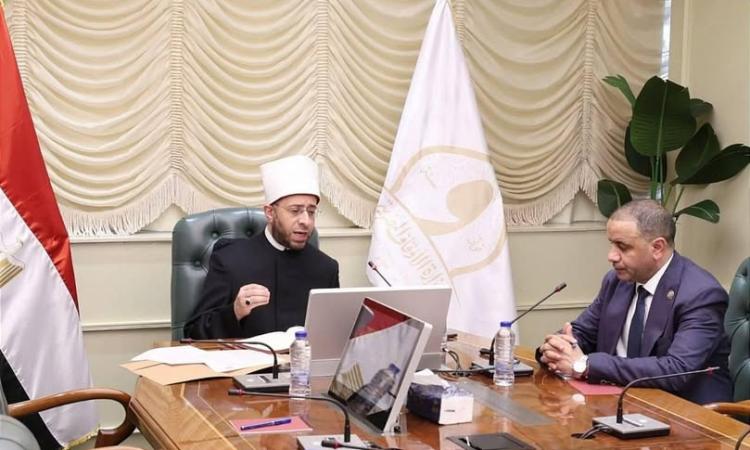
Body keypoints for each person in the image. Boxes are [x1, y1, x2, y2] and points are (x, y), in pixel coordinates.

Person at [538, 199, 731, 404]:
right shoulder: (617, 281)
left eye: (622, 246)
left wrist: (586, 365)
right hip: (618, 400)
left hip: (684, 410)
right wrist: (557, 348)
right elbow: (583, 331)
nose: (611, 256)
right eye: (612, 244)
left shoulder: (701, 294)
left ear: (657, 247)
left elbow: (676, 369)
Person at [184, 155, 340, 339]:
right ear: (270, 213)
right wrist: (235, 311)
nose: (306, 221)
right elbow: (194, 333)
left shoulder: (326, 268)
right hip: (245, 358)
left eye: (311, 212)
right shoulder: (230, 259)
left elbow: (334, 335)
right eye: (295, 211)